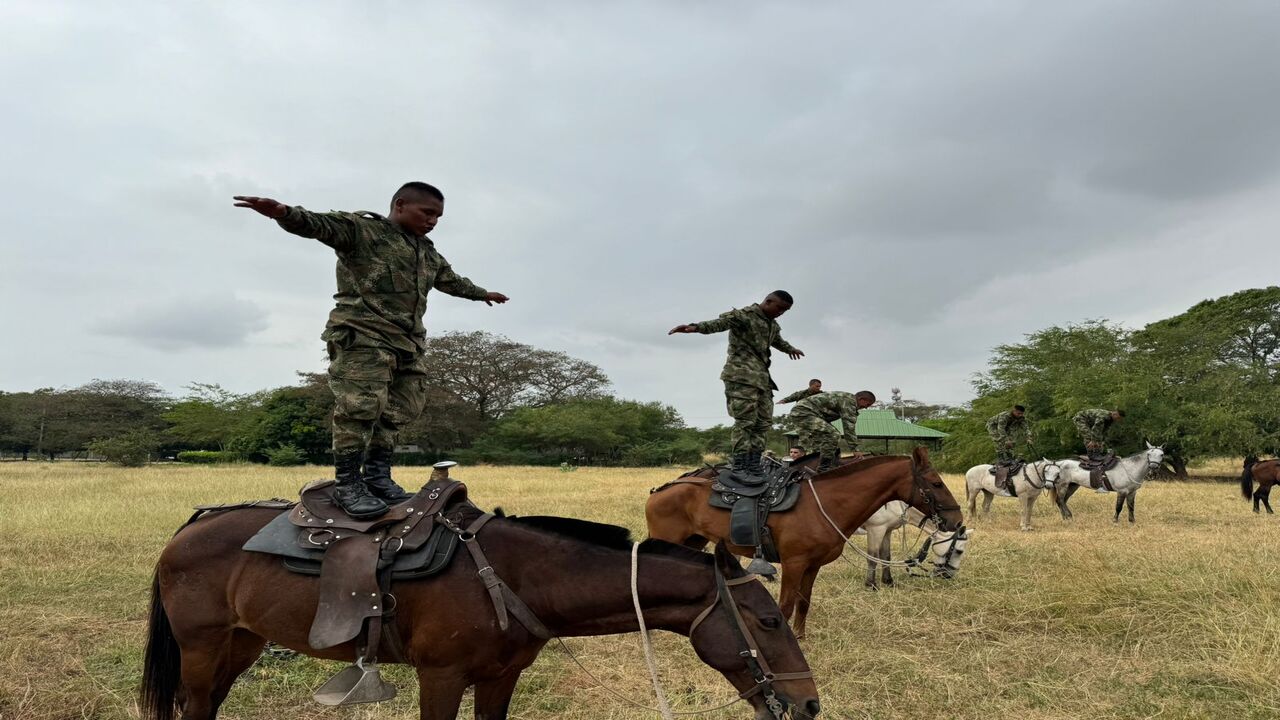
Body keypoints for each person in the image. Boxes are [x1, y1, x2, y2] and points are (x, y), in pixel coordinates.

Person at [234, 182, 509, 519]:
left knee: (400, 408)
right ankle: (347, 485)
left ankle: (377, 478)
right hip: (363, 336)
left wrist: (482, 293)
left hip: (406, 344)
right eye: (427, 213)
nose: (433, 221)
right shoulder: (363, 231)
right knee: (360, 407)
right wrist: (283, 213)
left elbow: (450, 280)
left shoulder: (427, 251)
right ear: (401, 204)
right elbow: (319, 225)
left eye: (438, 216)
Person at [669, 291, 803, 481]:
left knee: (762, 423)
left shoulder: (772, 325)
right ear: (768, 301)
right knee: (745, 421)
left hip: (762, 380)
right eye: (779, 308)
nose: (781, 312)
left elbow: (777, 341)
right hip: (740, 376)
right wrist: (695, 327)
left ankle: (754, 465)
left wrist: (791, 349)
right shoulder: (743, 316)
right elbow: (719, 323)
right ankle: (739, 466)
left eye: (785, 311)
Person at [789, 390, 876, 471]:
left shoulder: (847, 399)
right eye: (867, 404)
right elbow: (849, 429)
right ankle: (823, 469)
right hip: (804, 412)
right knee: (833, 435)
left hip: (811, 414)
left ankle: (814, 465)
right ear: (861, 399)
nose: (866, 407)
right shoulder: (849, 403)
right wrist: (855, 449)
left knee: (822, 441)